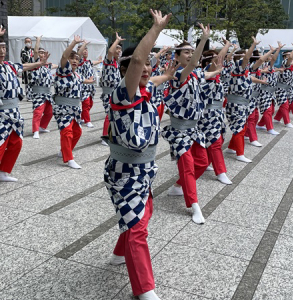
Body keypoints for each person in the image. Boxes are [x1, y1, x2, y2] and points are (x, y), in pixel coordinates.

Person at [104, 10, 175, 300]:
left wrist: (201, 43)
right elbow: (134, 60)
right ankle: (145, 290)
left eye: (149, 64)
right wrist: (156, 30)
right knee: (137, 229)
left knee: (143, 215)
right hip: (124, 173)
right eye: (141, 65)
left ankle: (118, 254)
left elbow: (164, 74)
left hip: (144, 171)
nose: (145, 68)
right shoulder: (124, 94)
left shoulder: (148, 91)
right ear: (125, 71)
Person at [162, 27, 222, 224]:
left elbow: (208, 74)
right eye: (185, 52)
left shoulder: (195, 74)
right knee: (187, 166)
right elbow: (195, 63)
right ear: (177, 57)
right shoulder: (178, 74)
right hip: (179, 131)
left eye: (190, 51)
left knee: (203, 163)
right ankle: (194, 205)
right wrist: (204, 38)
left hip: (195, 130)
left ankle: (178, 186)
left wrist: (219, 65)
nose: (189, 55)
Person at [0, 27, 49, 182]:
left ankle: (3, 172)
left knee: (16, 142)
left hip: (14, 111)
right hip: (0, 113)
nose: (2, 51)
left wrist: (40, 63)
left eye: (4, 48)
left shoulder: (9, 65)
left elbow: (25, 66)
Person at [53, 36, 95, 169]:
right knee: (66, 131)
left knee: (77, 132)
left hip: (75, 109)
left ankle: (64, 151)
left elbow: (84, 80)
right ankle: (69, 158)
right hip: (62, 108)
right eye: (72, 59)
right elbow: (64, 56)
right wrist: (74, 43)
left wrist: (91, 81)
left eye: (77, 59)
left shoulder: (77, 75)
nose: (75, 61)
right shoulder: (63, 71)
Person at [198, 40, 232, 185]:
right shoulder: (205, 74)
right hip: (207, 115)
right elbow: (219, 59)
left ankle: (204, 163)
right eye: (215, 60)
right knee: (215, 142)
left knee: (216, 140)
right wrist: (227, 45)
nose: (219, 62)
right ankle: (221, 172)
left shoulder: (216, 76)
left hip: (217, 114)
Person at [225, 37, 260, 163]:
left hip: (241, 104)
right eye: (246, 57)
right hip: (236, 104)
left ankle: (231, 148)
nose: (248, 59)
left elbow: (251, 77)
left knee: (240, 127)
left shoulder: (243, 71)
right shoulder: (238, 68)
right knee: (240, 129)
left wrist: (261, 81)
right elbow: (246, 58)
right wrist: (253, 45)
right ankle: (240, 154)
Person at [29, 35, 57, 139]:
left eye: (43, 52)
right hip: (38, 93)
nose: (41, 54)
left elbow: (57, 65)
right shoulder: (36, 63)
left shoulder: (48, 65)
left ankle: (42, 127)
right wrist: (38, 40)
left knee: (50, 112)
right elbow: (35, 51)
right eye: (40, 52)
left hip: (47, 93)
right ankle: (35, 130)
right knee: (38, 112)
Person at [100, 32, 124, 146]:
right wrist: (117, 40)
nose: (118, 51)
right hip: (108, 92)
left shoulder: (116, 63)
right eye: (117, 49)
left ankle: (112, 134)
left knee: (114, 114)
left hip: (115, 92)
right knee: (109, 114)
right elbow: (110, 51)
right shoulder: (108, 60)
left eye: (120, 49)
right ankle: (105, 136)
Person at [257, 42, 284, 134]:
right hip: (263, 91)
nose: (272, 57)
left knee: (271, 110)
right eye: (270, 55)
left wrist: (278, 49)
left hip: (270, 92)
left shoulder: (270, 66)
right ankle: (270, 128)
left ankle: (260, 125)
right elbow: (273, 59)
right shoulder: (260, 65)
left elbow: (274, 59)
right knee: (268, 110)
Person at [77, 41, 103, 128]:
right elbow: (79, 54)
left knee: (90, 104)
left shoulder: (88, 62)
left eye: (86, 50)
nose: (85, 51)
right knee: (86, 104)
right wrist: (84, 44)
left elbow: (93, 62)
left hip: (90, 87)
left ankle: (82, 117)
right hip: (83, 87)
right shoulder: (79, 61)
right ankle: (87, 121)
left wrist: (99, 61)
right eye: (83, 50)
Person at [273, 45, 293, 128]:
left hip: (289, 87)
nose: (291, 55)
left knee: (289, 103)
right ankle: (287, 122)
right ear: (285, 56)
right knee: (285, 105)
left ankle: (274, 119)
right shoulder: (285, 63)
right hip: (281, 89)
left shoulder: (290, 65)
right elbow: (291, 58)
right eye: (289, 54)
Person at [20, 37, 34, 101]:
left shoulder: (33, 50)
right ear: (25, 43)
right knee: (27, 83)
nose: (28, 43)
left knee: (33, 82)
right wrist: (31, 56)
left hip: (33, 68)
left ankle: (33, 95)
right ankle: (28, 96)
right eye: (26, 42)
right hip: (27, 69)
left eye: (29, 41)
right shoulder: (23, 50)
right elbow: (25, 59)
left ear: (31, 42)